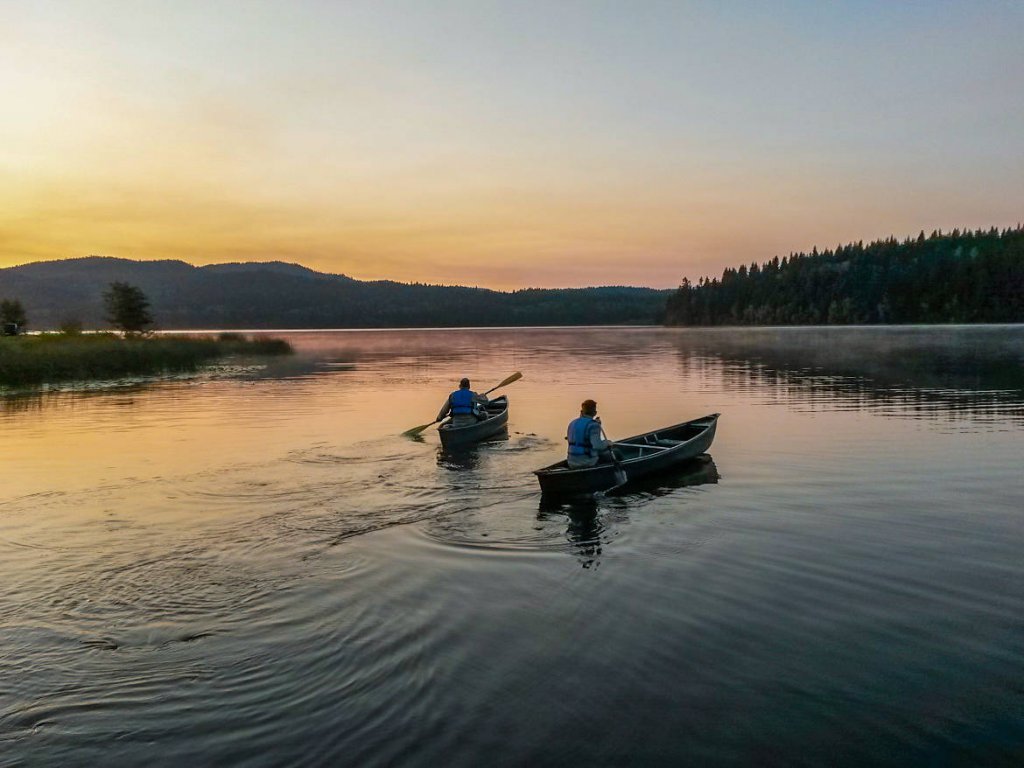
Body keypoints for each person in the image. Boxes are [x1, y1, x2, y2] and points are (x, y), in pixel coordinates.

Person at [566, 399, 614, 468]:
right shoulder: (593, 425)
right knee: (616, 452)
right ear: (595, 413)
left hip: (571, 462)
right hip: (588, 462)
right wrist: (607, 443)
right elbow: (597, 446)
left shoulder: (572, 423)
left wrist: (598, 426)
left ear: (581, 412)